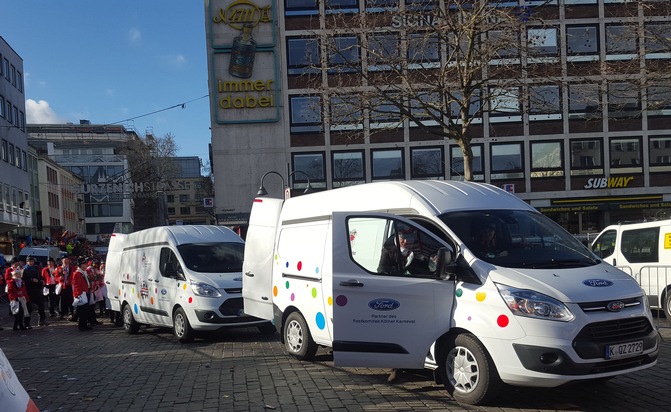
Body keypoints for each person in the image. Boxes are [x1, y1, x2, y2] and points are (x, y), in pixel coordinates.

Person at [22, 256, 47, 327]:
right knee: (29, 307)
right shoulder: (25, 270)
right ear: (27, 262)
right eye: (30, 261)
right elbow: (23, 280)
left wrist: (41, 280)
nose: (31, 263)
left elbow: (40, 276)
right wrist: (31, 280)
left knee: (41, 305)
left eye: (32, 261)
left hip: (37, 290)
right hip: (29, 290)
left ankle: (42, 320)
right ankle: (27, 322)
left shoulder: (36, 268)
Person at [72, 257, 93, 331]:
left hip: (86, 292)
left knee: (85, 310)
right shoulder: (77, 273)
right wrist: (79, 294)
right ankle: (82, 325)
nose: (86, 265)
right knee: (83, 311)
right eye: (84, 264)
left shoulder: (84, 272)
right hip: (82, 294)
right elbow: (76, 285)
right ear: (80, 265)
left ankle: (84, 324)